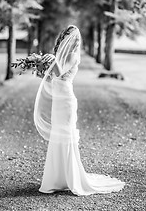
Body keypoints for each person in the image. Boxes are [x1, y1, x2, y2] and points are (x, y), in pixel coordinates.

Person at [34, 25, 125, 196]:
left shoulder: (72, 56)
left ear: (73, 40)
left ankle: (71, 178)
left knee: (65, 136)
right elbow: (52, 80)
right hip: (58, 102)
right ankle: (57, 179)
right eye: (65, 36)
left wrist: (51, 60)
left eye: (69, 37)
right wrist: (41, 71)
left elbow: (60, 73)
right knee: (57, 136)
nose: (66, 40)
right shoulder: (61, 57)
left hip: (67, 102)